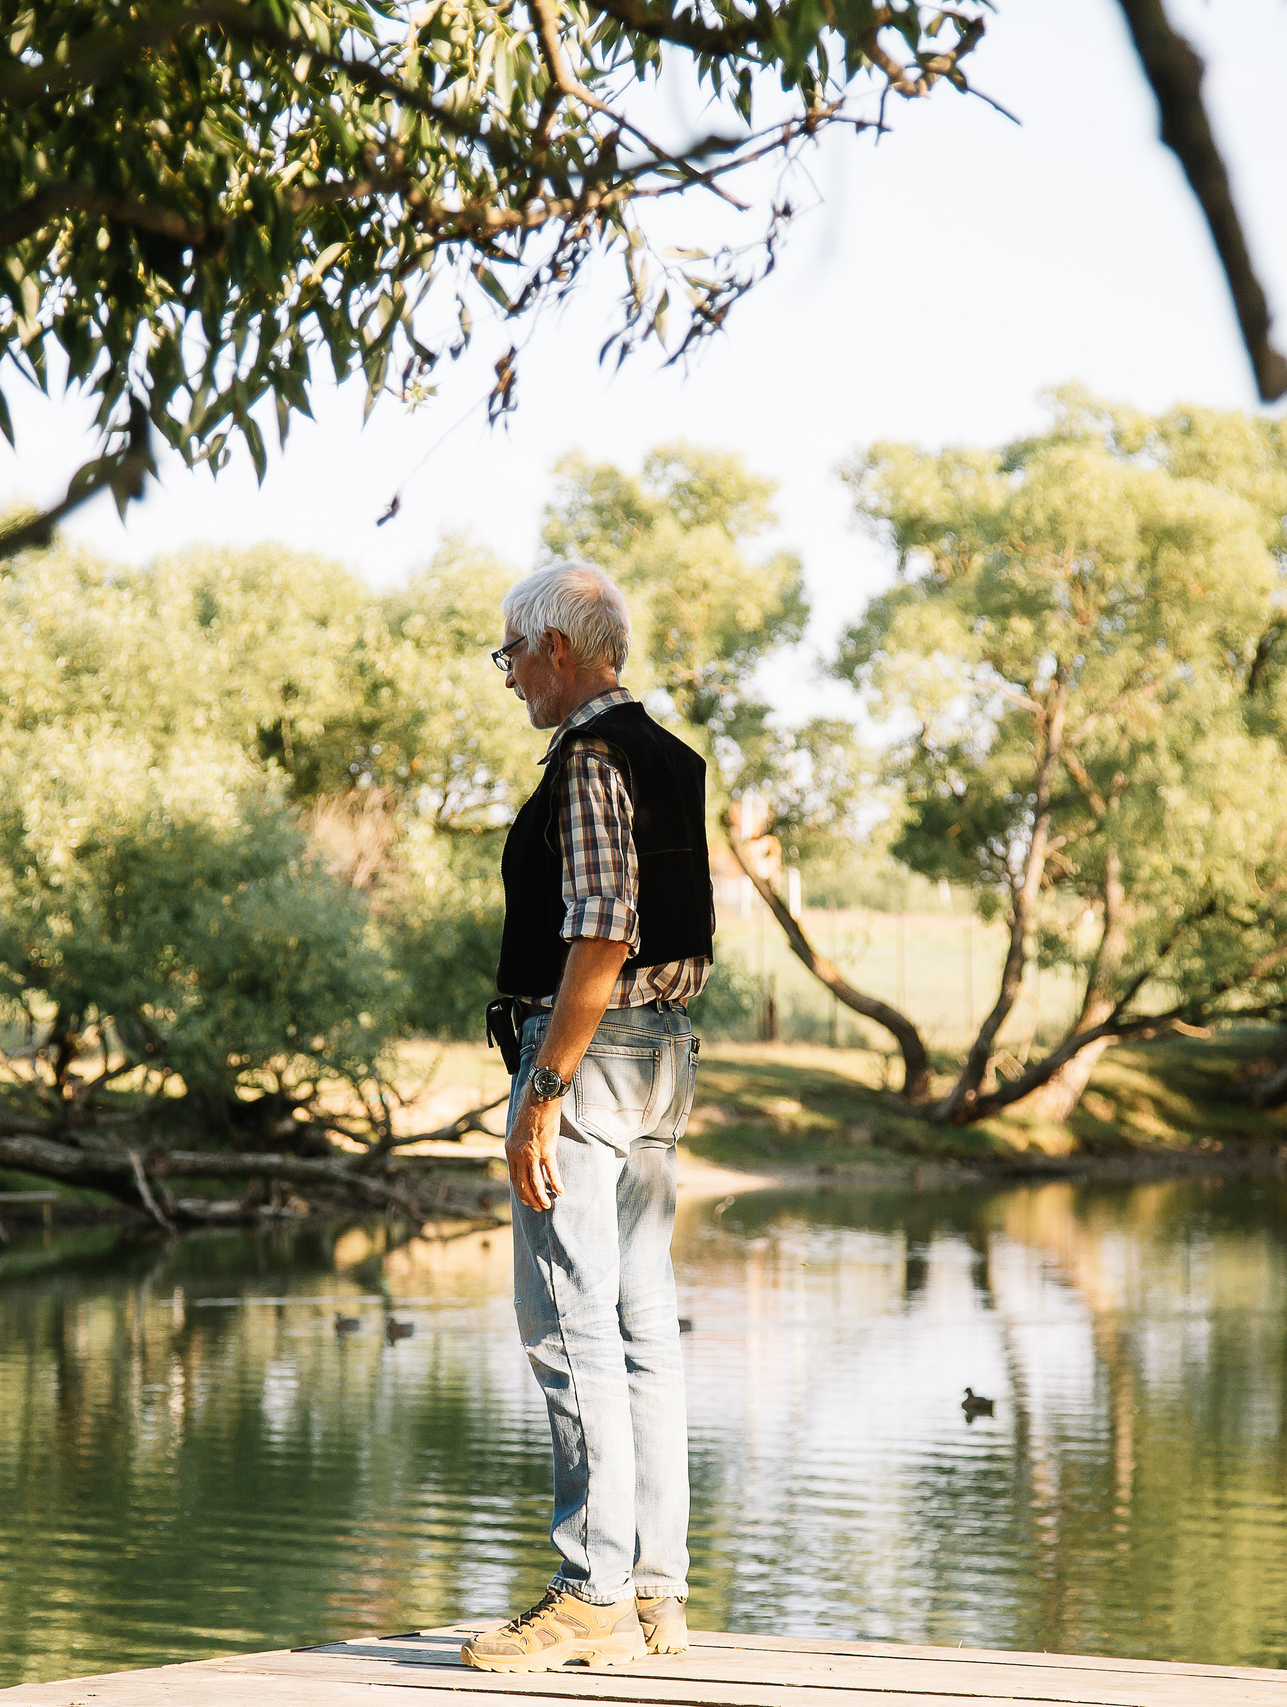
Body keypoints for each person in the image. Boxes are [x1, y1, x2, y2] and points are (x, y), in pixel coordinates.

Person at [460, 561, 713, 1674]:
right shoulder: (674, 759)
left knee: (569, 1326)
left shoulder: (590, 763)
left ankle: (588, 1590)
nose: (508, 674)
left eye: (510, 653)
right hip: (661, 1061)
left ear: (558, 649)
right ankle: (654, 1591)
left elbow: (602, 935)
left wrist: (543, 1094)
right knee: (640, 1327)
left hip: (593, 1063)